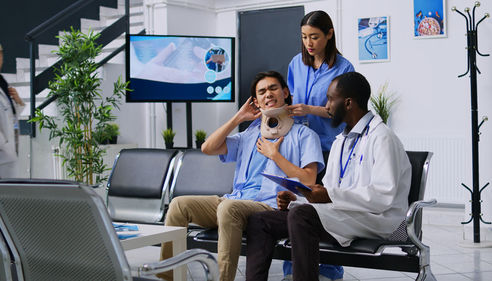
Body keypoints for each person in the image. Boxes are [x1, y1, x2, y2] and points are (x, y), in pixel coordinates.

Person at [158, 71, 324, 281]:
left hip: (269, 205)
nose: (268, 94)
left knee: (229, 208)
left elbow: (309, 180)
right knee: (178, 205)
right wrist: (239, 117)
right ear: (256, 101)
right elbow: (208, 148)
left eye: (273, 88)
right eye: (261, 92)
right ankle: (166, 277)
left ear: (285, 92)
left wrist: (275, 156)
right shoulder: (248, 135)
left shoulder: (305, 135)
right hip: (235, 199)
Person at [245, 72, 411, 281]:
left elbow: (383, 197)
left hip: (377, 220)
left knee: (302, 217)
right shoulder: (340, 140)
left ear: (348, 103)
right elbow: (328, 192)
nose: (327, 106)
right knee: (260, 221)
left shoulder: (382, 138)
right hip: (344, 214)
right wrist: (298, 198)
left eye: (331, 99)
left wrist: (328, 196)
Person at [284, 10, 355, 280]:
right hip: (300, 149)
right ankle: (295, 270)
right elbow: (290, 102)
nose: (309, 43)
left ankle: (329, 270)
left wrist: (310, 109)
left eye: (314, 36)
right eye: (304, 37)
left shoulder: (344, 68)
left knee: (325, 212)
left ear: (329, 34)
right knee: (297, 209)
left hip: (329, 147)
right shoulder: (295, 64)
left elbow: (342, 112)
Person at [0, 39, 24, 178]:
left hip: (5, 155)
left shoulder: (3, 84)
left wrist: (18, 103)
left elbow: (9, 116)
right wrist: (4, 148)